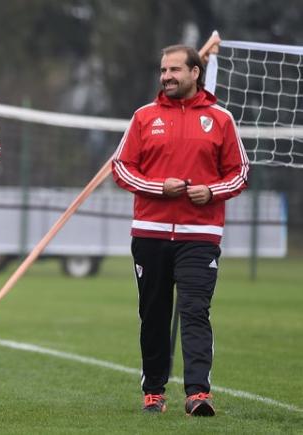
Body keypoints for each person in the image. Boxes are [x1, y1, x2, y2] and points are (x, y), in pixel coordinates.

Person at [112, 45, 249, 416]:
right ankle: (154, 391)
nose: (166, 76)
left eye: (174, 69)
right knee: (153, 314)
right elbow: (121, 169)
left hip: (200, 236)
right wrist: (158, 187)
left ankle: (198, 394)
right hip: (150, 233)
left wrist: (212, 191)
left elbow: (239, 172)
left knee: (194, 311)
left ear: (195, 73)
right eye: (163, 70)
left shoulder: (220, 119)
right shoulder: (143, 117)